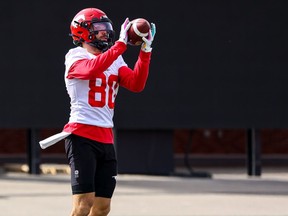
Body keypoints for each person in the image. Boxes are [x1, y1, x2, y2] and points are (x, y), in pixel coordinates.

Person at [62, 7, 156, 216]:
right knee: (83, 204)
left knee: (103, 207)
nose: (105, 32)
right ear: (83, 31)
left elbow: (136, 84)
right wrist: (121, 46)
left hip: (105, 137)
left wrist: (145, 51)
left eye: (106, 28)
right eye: (99, 28)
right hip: (81, 135)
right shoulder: (75, 55)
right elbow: (91, 69)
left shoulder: (114, 57)